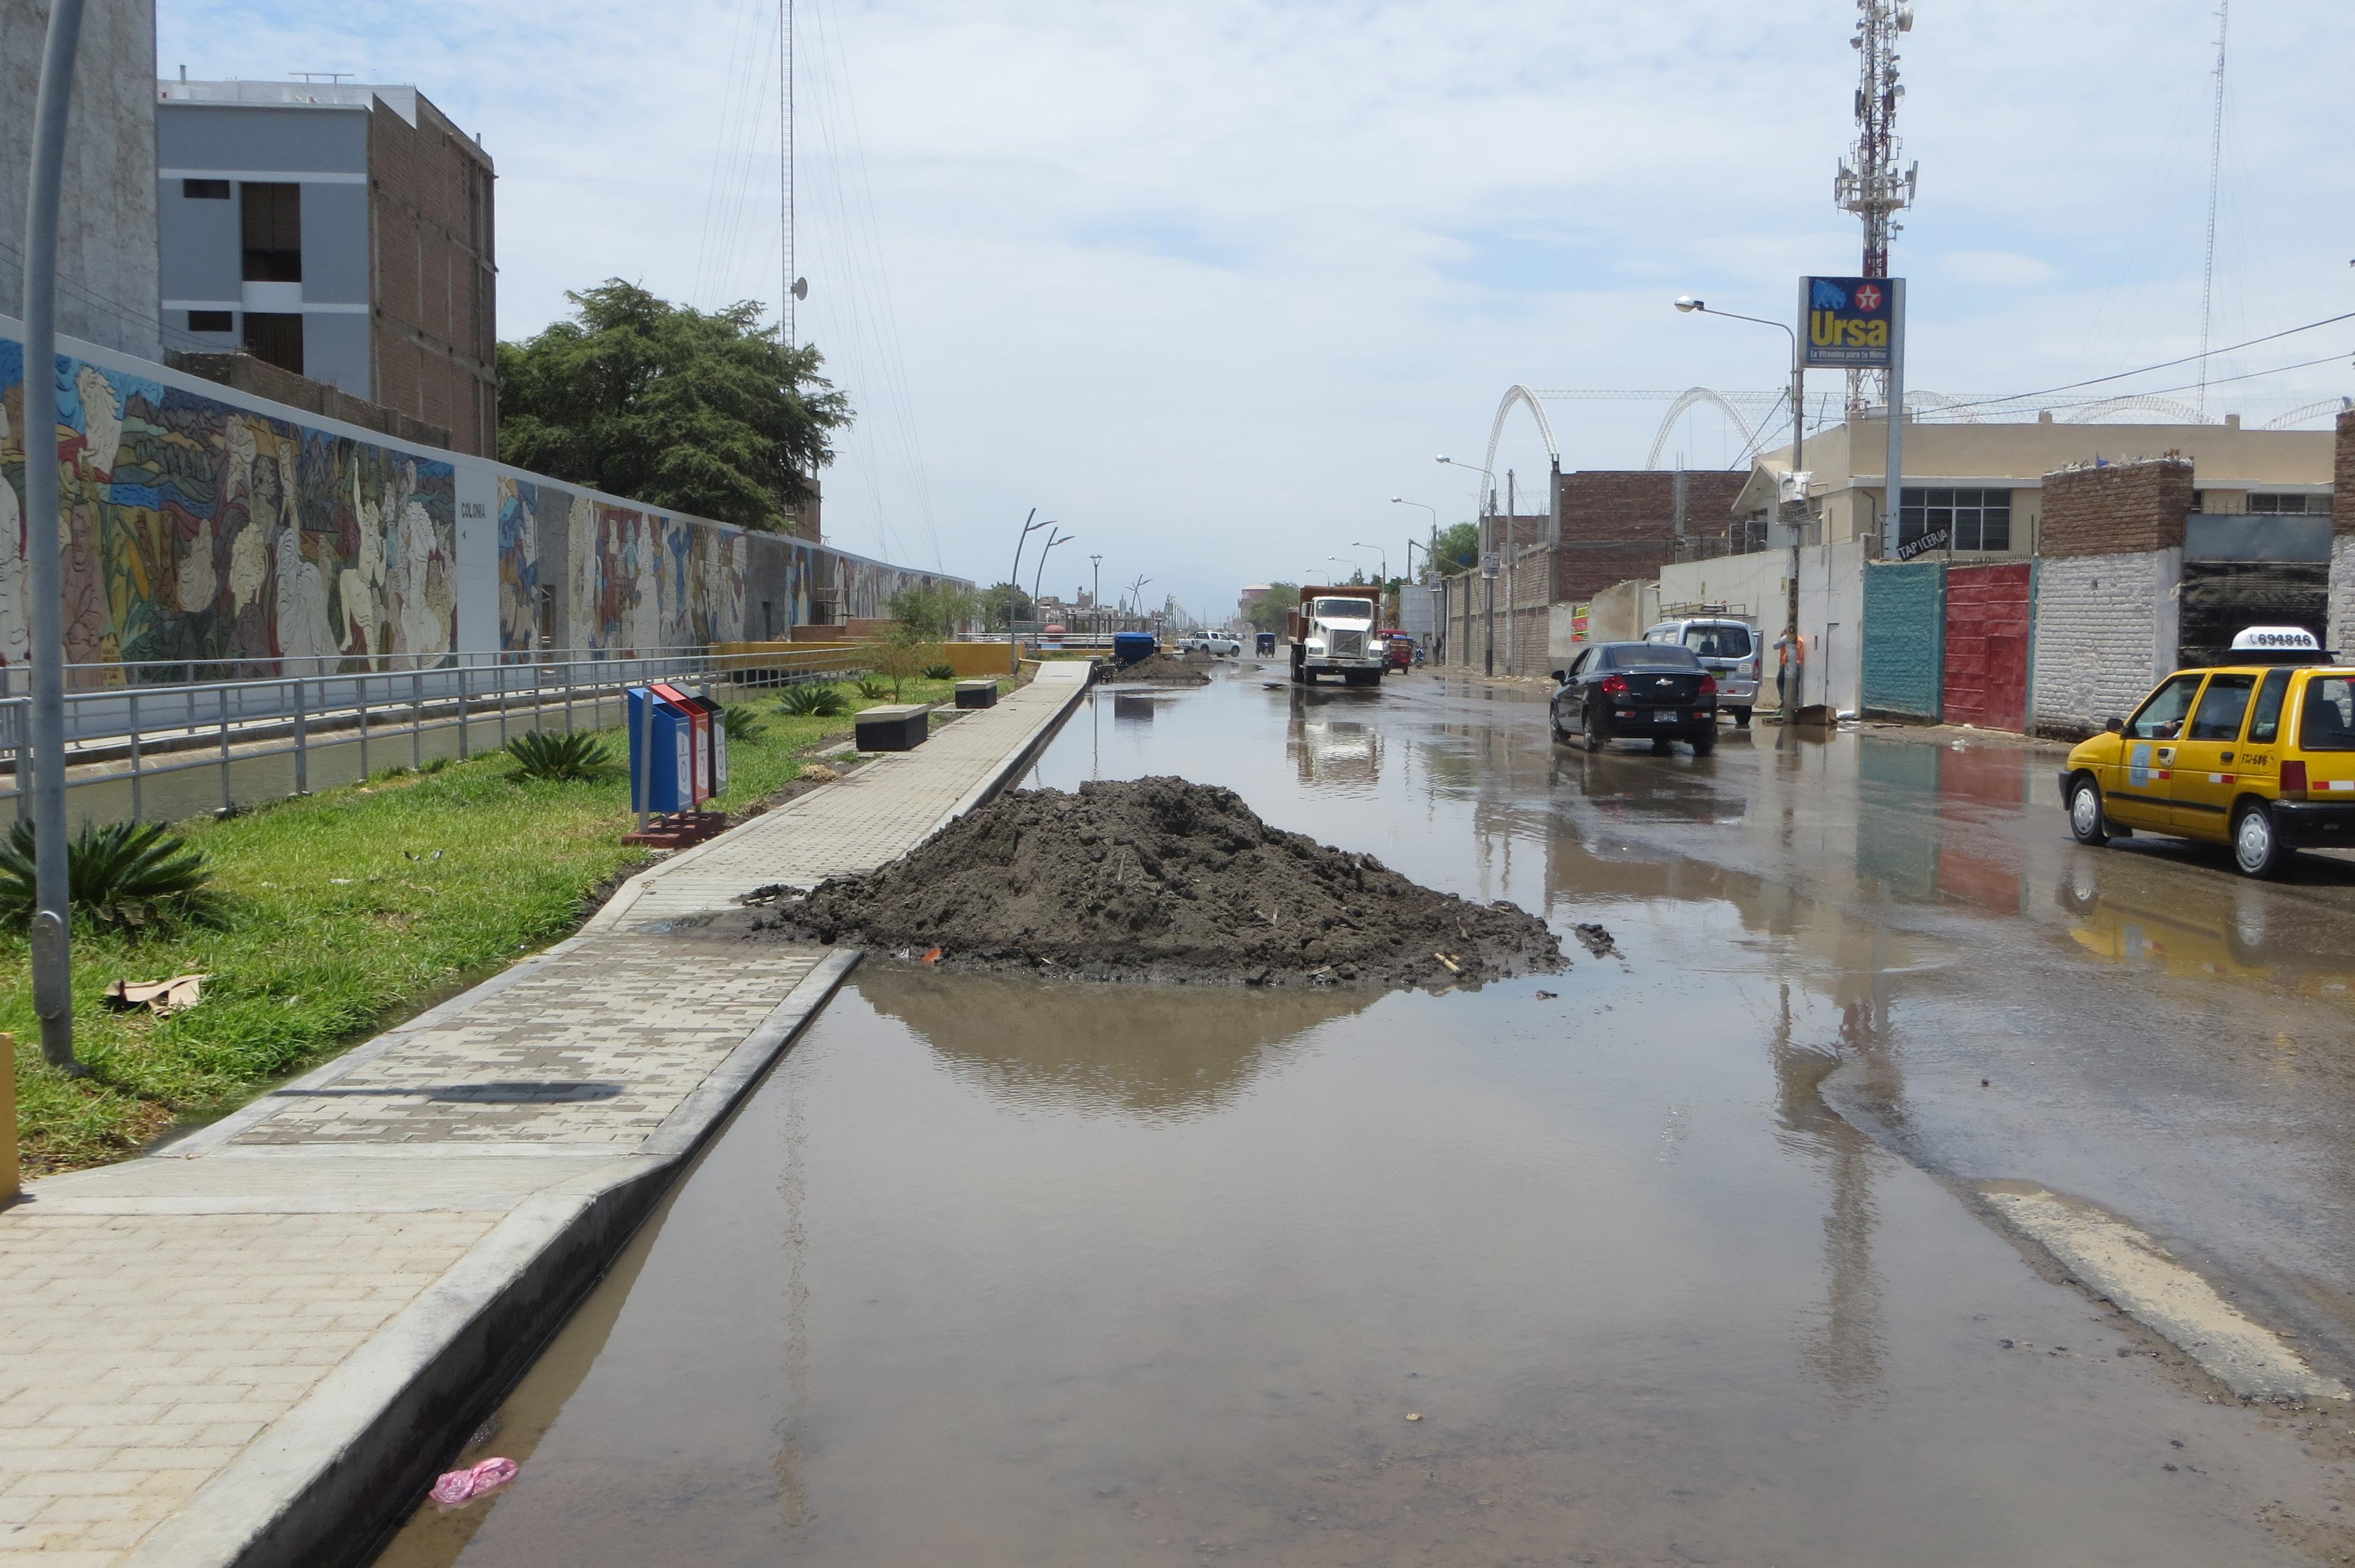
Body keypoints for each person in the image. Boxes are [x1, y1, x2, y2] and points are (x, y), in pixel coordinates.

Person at [1773, 625, 1803, 713]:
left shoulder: (1786, 638)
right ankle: (1795, 703)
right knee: (1795, 684)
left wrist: (1781, 637)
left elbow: (1775, 646)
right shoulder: (1800, 640)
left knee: (1780, 682)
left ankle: (1784, 701)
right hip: (1797, 664)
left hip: (1786, 664)